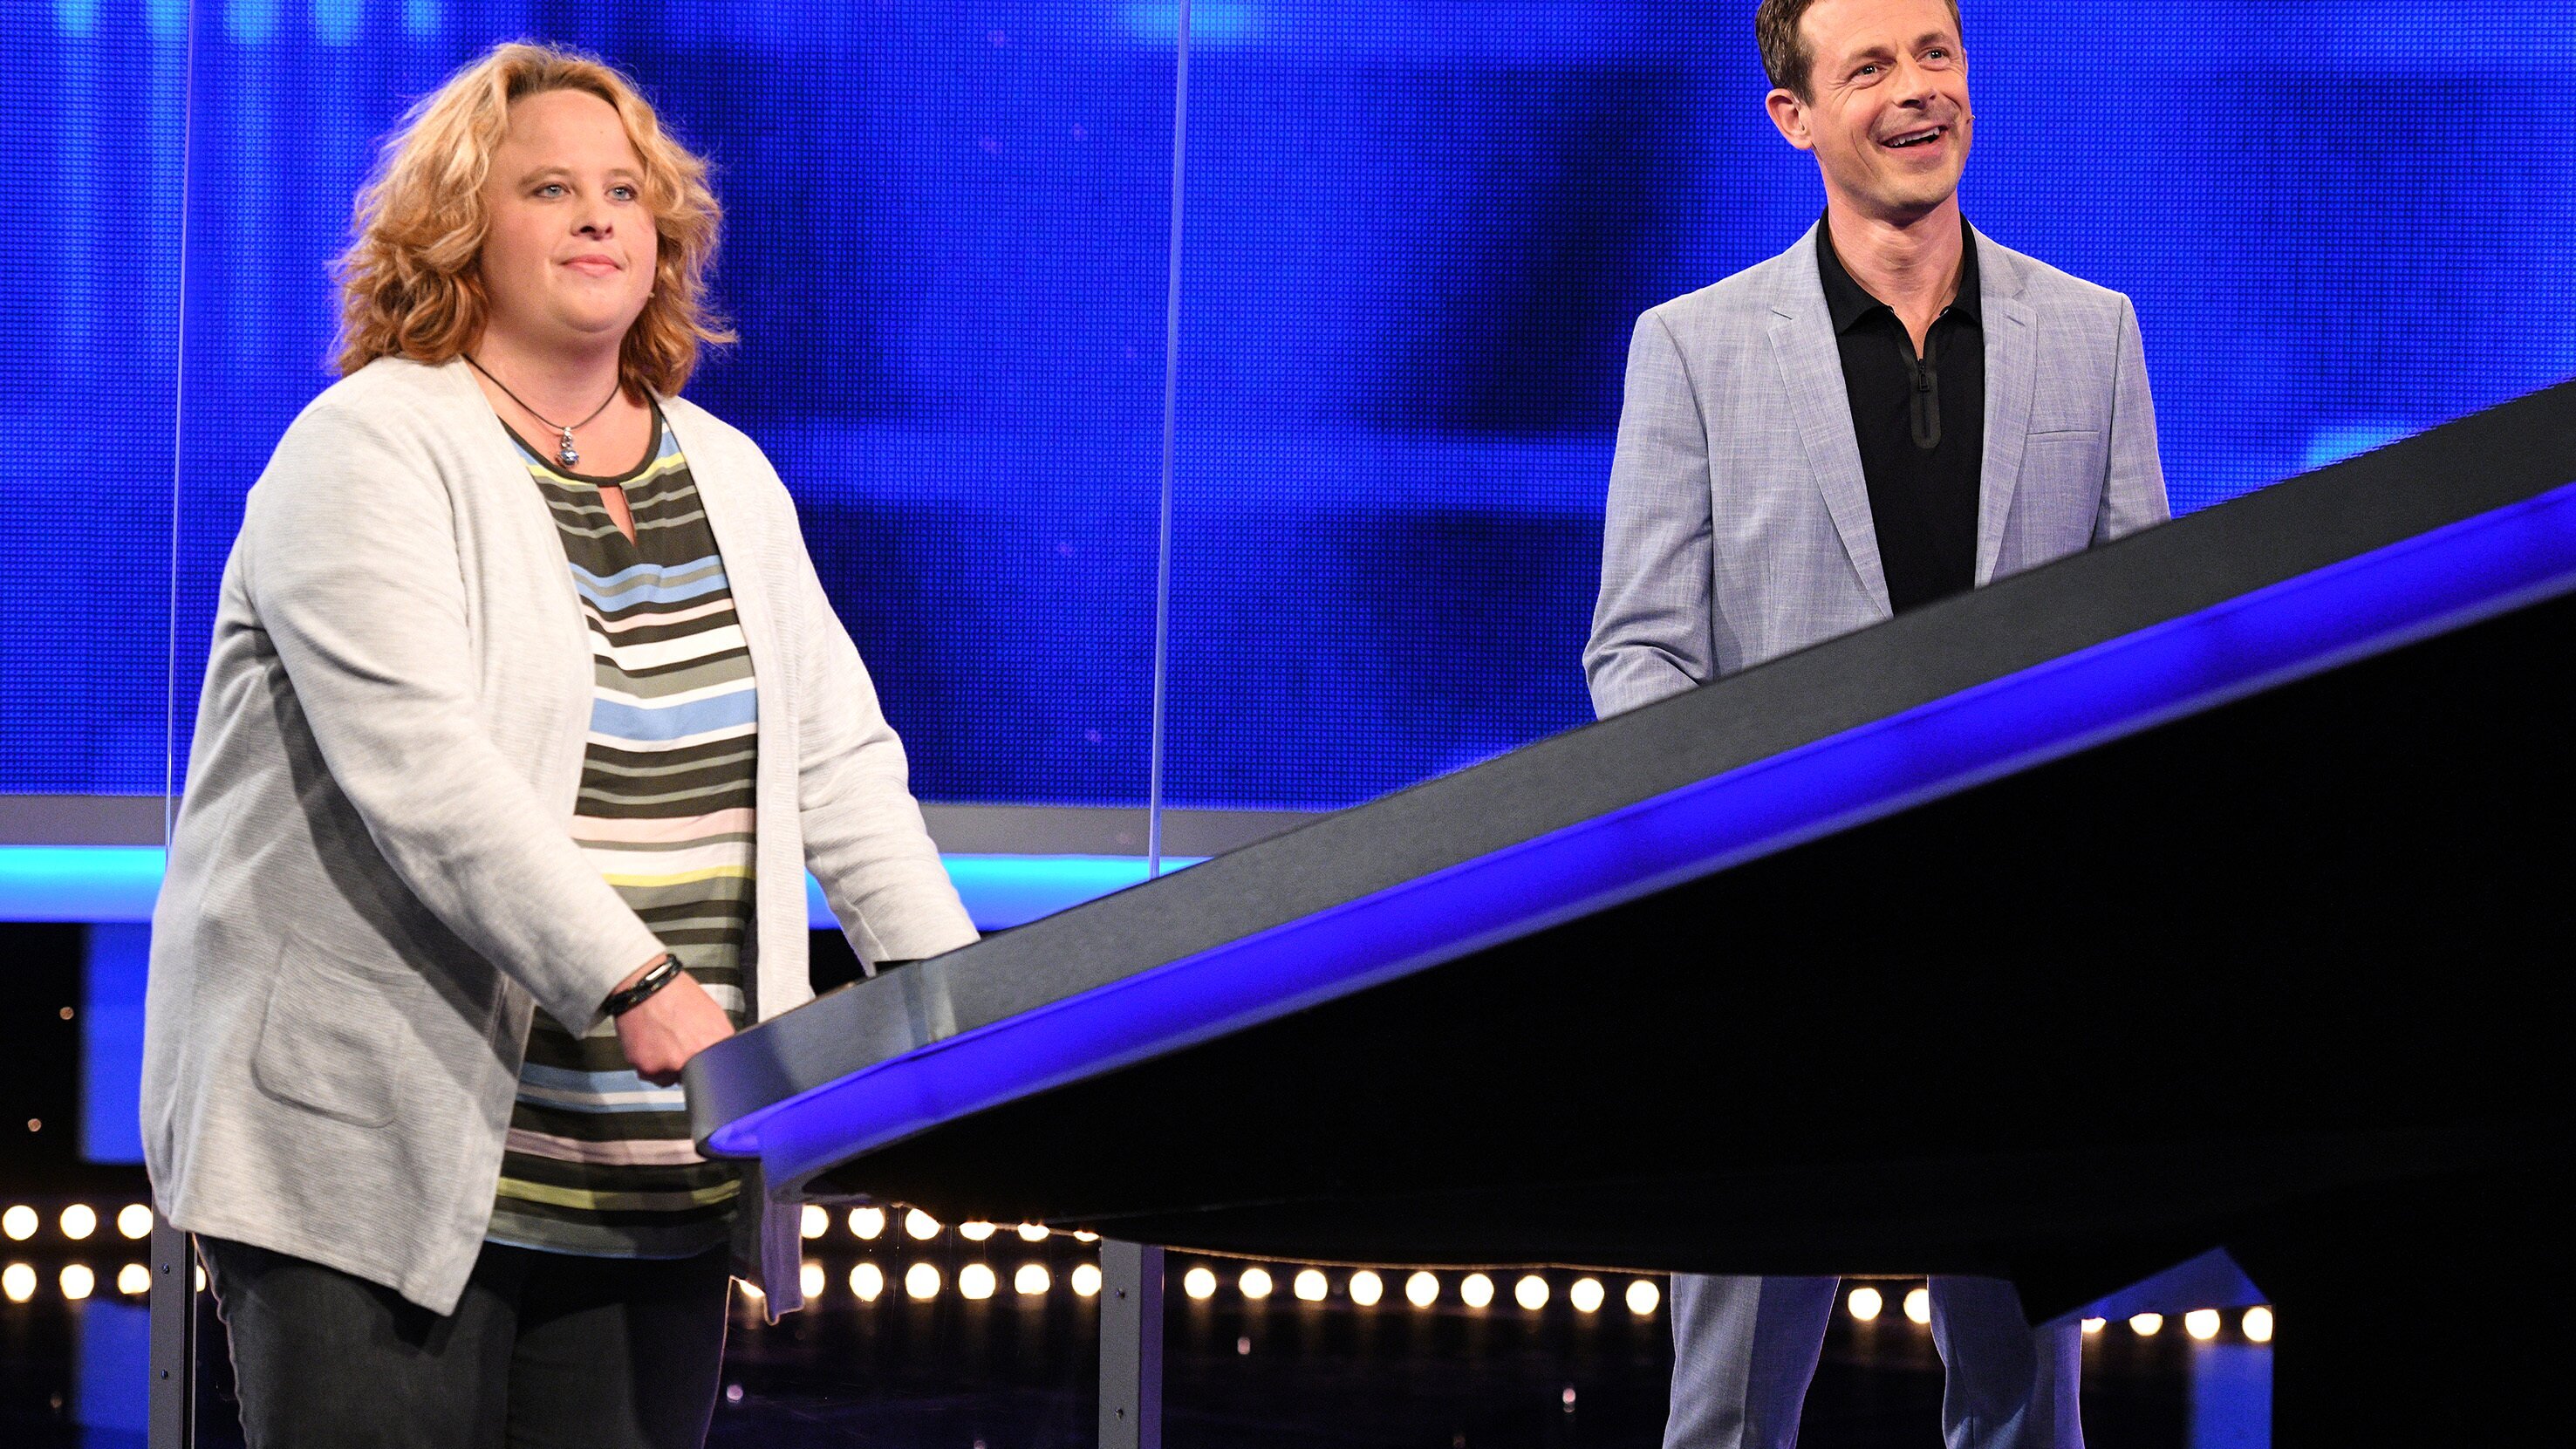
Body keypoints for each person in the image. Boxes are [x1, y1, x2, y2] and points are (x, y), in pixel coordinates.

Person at [140, 42, 976, 1448]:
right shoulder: (368, 446)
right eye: (548, 189)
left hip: (656, 1168)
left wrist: (957, 1009)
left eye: (624, 192)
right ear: (459, 229)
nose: (598, 217)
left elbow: (838, 765)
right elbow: (425, 770)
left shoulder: (727, 473)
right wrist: (634, 979)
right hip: (377, 1160)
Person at [1583, 0, 2169, 1446]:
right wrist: (1742, 859)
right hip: (1780, 947)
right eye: (1870, 67)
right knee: (1728, 1411)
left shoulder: (2090, 333)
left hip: (2015, 946)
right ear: (1793, 117)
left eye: (1935, 54)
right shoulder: (1693, 347)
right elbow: (1639, 652)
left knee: (2025, 1406)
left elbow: (2143, 637)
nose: (1917, 90)